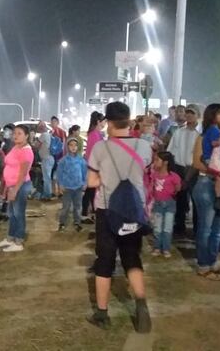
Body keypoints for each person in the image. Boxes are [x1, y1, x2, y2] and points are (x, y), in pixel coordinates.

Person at [85, 101, 152, 333]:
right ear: (128, 120)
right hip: (134, 209)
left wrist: (106, 176)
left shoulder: (100, 149)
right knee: (132, 258)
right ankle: (141, 305)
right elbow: (144, 170)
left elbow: (91, 182)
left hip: (107, 210)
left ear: (109, 122)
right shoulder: (143, 146)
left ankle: (102, 313)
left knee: (105, 260)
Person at [192, 104, 220, 281]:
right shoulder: (203, 137)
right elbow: (197, 163)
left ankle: (212, 261)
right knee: (206, 228)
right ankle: (203, 265)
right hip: (205, 184)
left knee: (218, 228)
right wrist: (219, 172)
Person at [0, 124, 34, 252]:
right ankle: (10, 238)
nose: (15, 136)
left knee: (18, 213)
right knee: (11, 213)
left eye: (19, 133)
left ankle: (19, 241)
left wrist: (15, 189)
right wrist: (6, 186)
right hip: (12, 185)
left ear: (26, 136)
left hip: (20, 186)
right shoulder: (16, 147)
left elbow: (22, 173)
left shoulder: (26, 151)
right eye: (14, 133)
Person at [167, 105, 200, 236]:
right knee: (180, 199)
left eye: (192, 113)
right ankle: (179, 226)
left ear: (198, 115)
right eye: (187, 113)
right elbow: (171, 152)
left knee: (196, 201)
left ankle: (197, 228)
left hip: (196, 169)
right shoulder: (179, 132)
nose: (189, 115)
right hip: (179, 168)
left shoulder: (201, 133)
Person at [148, 151, 181, 258]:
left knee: (167, 227)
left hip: (169, 204)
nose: (155, 162)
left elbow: (178, 187)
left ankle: (165, 248)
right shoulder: (154, 175)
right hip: (158, 204)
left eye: (157, 160)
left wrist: (174, 190)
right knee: (157, 227)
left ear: (165, 162)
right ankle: (158, 247)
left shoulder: (173, 176)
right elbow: (150, 188)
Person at [56, 137, 87, 232]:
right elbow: (59, 174)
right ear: (67, 147)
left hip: (78, 187)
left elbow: (84, 173)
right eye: (71, 145)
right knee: (66, 206)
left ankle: (77, 222)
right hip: (67, 188)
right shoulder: (63, 161)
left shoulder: (81, 160)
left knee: (78, 206)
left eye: (75, 145)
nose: (73, 147)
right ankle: (62, 222)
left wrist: (84, 184)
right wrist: (60, 185)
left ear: (78, 147)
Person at [82, 112, 105, 224]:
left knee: (90, 191)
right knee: (90, 191)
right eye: (104, 121)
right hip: (93, 167)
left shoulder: (96, 134)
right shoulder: (95, 134)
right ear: (98, 122)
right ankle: (86, 213)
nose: (105, 123)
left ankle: (88, 212)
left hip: (94, 166)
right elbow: (95, 153)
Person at [35, 121, 54, 200]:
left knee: (46, 178)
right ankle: (47, 193)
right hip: (50, 158)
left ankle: (47, 195)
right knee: (47, 177)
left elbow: (36, 145)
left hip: (46, 159)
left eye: (39, 126)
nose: (39, 128)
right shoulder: (49, 135)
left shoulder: (43, 135)